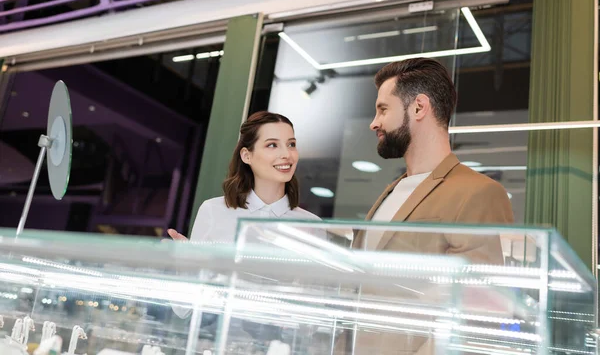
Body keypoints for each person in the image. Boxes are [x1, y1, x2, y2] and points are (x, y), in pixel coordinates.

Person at [340, 58, 515, 355]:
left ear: (419, 107)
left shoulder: (479, 193)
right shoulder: (390, 193)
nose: (374, 122)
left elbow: (480, 313)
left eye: (383, 109)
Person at [167, 110, 320, 244]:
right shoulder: (213, 211)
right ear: (247, 156)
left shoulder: (312, 225)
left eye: (291, 144)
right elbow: (199, 272)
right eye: (272, 145)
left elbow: (317, 278)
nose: (287, 154)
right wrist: (187, 261)